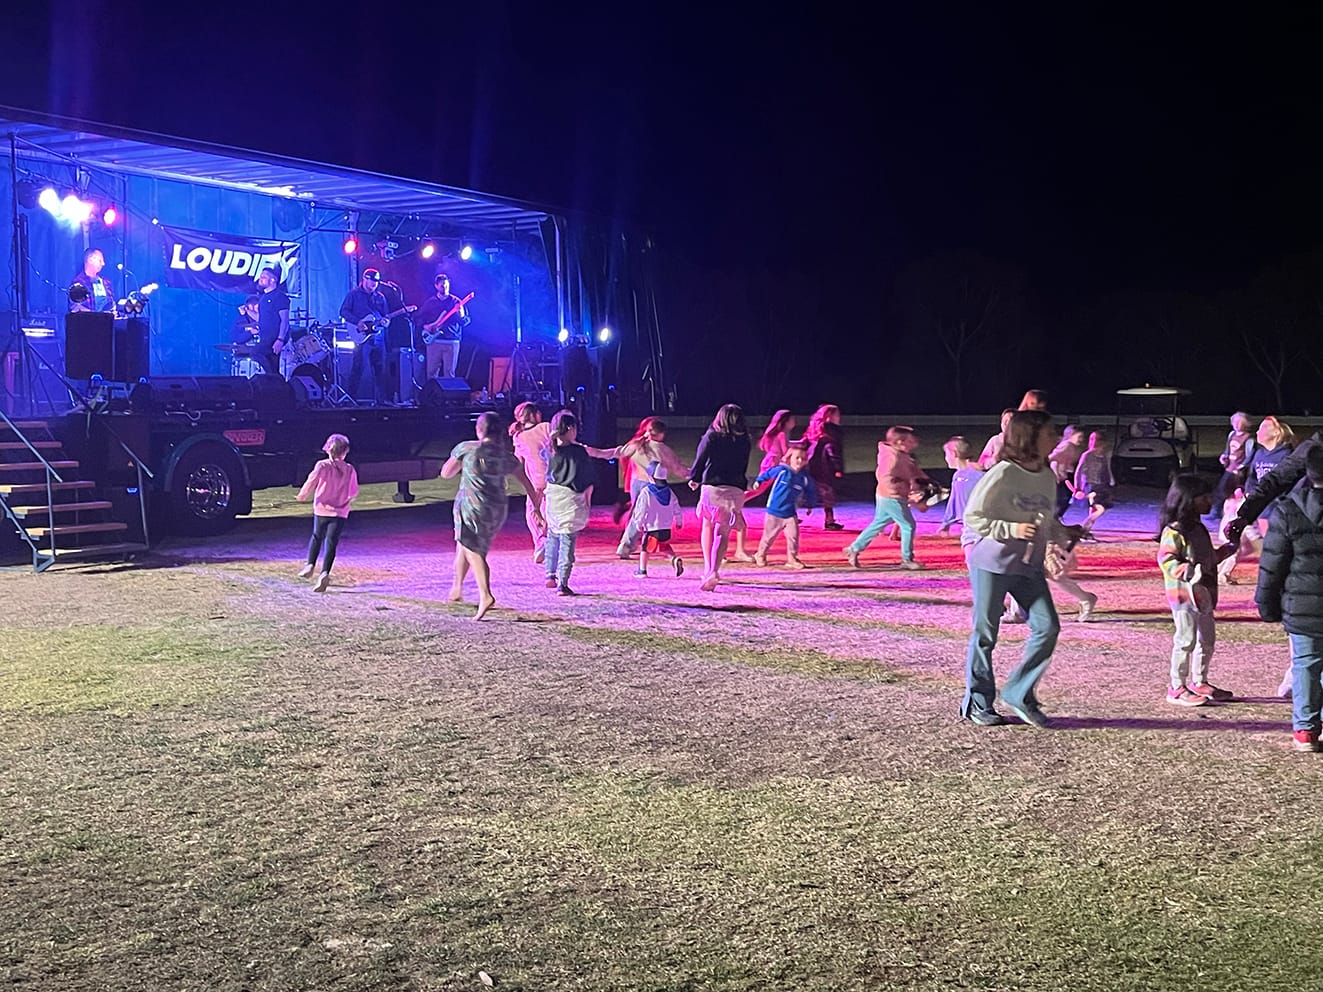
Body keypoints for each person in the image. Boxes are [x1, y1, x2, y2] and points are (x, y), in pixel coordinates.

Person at [959, 409, 1083, 728]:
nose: (1056, 438)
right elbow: (974, 517)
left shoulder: (1045, 473)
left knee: (1048, 627)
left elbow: (1044, 518)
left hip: (1028, 566)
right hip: (992, 563)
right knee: (985, 634)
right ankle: (977, 703)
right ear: (1030, 437)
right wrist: (1011, 529)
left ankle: (1018, 692)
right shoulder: (1002, 472)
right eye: (1049, 433)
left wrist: (1062, 533)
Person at [440, 410, 543, 620]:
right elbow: (526, 483)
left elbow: (446, 473)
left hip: (472, 505)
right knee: (465, 544)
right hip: (496, 508)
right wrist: (537, 508)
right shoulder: (507, 457)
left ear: (479, 430)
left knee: (471, 548)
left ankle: (485, 595)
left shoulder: (467, 448)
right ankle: (457, 588)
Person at [1255, 446, 1323, 751]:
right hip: (1305, 603)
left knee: (1306, 664)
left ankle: (1305, 730)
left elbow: (1273, 562)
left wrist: (1266, 604)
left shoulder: (1287, 509)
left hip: (1302, 605)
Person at [1158, 474, 1237, 707]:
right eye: (1204, 497)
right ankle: (1176, 687)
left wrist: (1226, 550)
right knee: (1185, 640)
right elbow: (1166, 560)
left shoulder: (1197, 528)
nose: (1209, 500)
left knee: (1207, 639)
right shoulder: (1174, 532)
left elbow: (1207, 557)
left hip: (1204, 594)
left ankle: (1199, 680)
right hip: (1184, 595)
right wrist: (1189, 571)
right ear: (1188, 500)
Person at [585, 417, 689, 558]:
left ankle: (629, 545)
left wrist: (589, 451)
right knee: (647, 517)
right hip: (651, 486)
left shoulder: (636, 444)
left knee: (638, 515)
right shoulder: (662, 449)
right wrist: (695, 475)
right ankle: (633, 545)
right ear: (661, 434)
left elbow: (614, 453)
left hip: (636, 483)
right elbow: (678, 468)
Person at [843, 426, 929, 570]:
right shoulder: (891, 458)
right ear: (900, 442)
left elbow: (913, 470)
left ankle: (854, 548)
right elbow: (884, 476)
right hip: (892, 496)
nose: (915, 444)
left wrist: (926, 482)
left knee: (879, 523)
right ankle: (907, 559)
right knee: (908, 526)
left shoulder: (901, 454)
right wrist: (904, 491)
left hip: (887, 495)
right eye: (911, 441)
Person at [687, 403, 752, 591]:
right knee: (722, 532)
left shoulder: (712, 436)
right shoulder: (745, 440)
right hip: (736, 490)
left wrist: (695, 478)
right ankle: (714, 569)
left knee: (707, 525)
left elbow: (701, 457)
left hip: (713, 488)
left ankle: (708, 569)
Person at [295, 433, 359, 593]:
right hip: (340, 511)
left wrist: (302, 494)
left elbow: (311, 480)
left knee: (317, 536)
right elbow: (354, 491)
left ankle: (310, 565)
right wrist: (347, 497)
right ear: (345, 452)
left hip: (322, 509)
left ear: (328, 450)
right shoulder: (350, 469)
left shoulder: (322, 465)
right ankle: (324, 573)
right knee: (331, 542)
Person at [542, 410, 594, 595]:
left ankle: (550, 574)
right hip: (570, 498)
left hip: (553, 497)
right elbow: (587, 478)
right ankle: (563, 583)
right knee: (567, 541)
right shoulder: (578, 452)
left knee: (553, 536)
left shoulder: (548, 449)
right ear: (571, 428)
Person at [751, 443, 818, 568]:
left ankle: (791, 559)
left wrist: (811, 504)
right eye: (797, 457)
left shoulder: (805, 478)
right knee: (769, 536)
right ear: (790, 458)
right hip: (774, 511)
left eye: (803, 459)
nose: (799, 461)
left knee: (793, 536)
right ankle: (760, 554)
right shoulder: (782, 470)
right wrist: (759, 481)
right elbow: (768, 473)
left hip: (790, 513)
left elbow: (811, 491)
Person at [509, 402, 553, 563]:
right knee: (550, 513)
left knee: (532, 513)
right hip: (553, 479)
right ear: (535, 414)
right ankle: (549, 543)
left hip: (534, 481)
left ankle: (540, 543)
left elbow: (518, 462)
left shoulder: (518, 437)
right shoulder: (546, 428)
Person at [340, 268, 390, 402]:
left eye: (377, 281)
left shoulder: (380, 297)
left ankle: (381, 401)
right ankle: (351, 399)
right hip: (362, 338)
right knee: (358, 368)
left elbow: (385, 316)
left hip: (378, 337)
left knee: (380, 369)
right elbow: (343, 311)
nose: (375, 283)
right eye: (372, 280)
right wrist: (358, 322)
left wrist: (386, 322)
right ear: (364, 279)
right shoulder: (354, 294)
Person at [631, 461, 685, 577]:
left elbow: (641, 509)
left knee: (645, 549)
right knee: (664, 546)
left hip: (652, 527)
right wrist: (679, 521)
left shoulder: (646, 492)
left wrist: (638, 522)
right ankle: (674, 559)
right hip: (666, 527)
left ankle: (642, 570)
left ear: (650, 476)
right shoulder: (670, 492)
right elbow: (677, 507)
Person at [416, 272, 471, 379]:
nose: (444, 287)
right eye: (442, 285)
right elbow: (419, 317)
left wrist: (462, 315)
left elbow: (465, 322)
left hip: (451, 340)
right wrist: (425, 326)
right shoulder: (430, 302)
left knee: (449, 373)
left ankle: (448, 395)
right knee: (431, 373)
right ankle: (432, 395)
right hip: (434, 341)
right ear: (436, 286)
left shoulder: (456, 302)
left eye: (446, 285)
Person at [801, 404, 845, 530]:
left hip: (811, 464)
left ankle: (786, 515)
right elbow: (832, 451)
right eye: (836, 414)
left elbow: (805, 444)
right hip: (824, 466)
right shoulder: (832, 432)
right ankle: (829, 520)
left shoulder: (815, 430)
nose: (839, 417)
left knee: (806, 491)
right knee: (827, 493)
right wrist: (837, 468)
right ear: (829, 416)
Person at [743, 409, 797, 504]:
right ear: (786, 421)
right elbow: (785, 451)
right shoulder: (782, 434)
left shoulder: (780, 434)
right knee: (759, 489)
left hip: (771, 462)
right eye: (792, 419)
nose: (794, 421)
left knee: (762, 489)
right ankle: (738, 500)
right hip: (772, 464)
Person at [1210, 412, 1256, 520]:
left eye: (1238, 422)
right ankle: (1217, 512)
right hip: (1229, 467)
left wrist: (1242, 466)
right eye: (1234, 422)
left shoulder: (1249, 438)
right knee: (1222, 489)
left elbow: (1250, 455)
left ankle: (1236, 513)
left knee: (1237, 491)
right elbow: (1228, 449)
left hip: (1239, 471)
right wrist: (1224, 456)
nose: (1235, 424)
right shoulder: (1232, 435)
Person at [938, 436, 983, 537]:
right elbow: (954, 500)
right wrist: (946, 523)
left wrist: (946, 523)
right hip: (972, 523)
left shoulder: (977, 474)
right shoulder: (958, 476)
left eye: (946, 454)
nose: (946, 458)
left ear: (954, 453)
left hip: (976, 523)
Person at [1073, 431, 1115, 532]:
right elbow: (1078, 471)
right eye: (1091, 439)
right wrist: (1077, 488)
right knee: (1099, 509)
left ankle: (1087, 530)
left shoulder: (1105, 455)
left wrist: (1111, 479)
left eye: (1096, 439)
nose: (1093, 442)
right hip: (1090, 485)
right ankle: (1083, 529)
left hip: (1102, 485)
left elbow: (1107, 468)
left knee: (1094, 509)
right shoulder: (1087, 455)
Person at [254, 266, 290, 376]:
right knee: (273, 366)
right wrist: (246, 311)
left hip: (274, 337)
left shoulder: (279, 297)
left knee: (256, 353)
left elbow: (285, 320)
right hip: (265, 336)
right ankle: (277, 383)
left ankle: (274, 377)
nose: (261, 279)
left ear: (273, 280)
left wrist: (280, 339)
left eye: (264, 277)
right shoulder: (263, 298)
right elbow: (260, 318)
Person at [1048, 425, 1087, 520]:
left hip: (1066, 476)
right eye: (1079, 437)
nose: (1081, 440)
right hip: (1059, 477)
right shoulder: (1066, 445)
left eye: (1082, 437)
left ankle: (1057, 517)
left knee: (1067, 497)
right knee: (1063, 497)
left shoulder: (1074, 447)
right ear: (1070, 435)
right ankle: (1055, 517)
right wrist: (1056, 472)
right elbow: (1052, 457)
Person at [69, 248, 115, 313]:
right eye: (100, 260)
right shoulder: (79, 283)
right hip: (88, 321)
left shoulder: (106, 282)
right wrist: (95, 316)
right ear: (90, 260)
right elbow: (76, 307)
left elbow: (111, 304)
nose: (103, 264)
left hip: (107, 321)